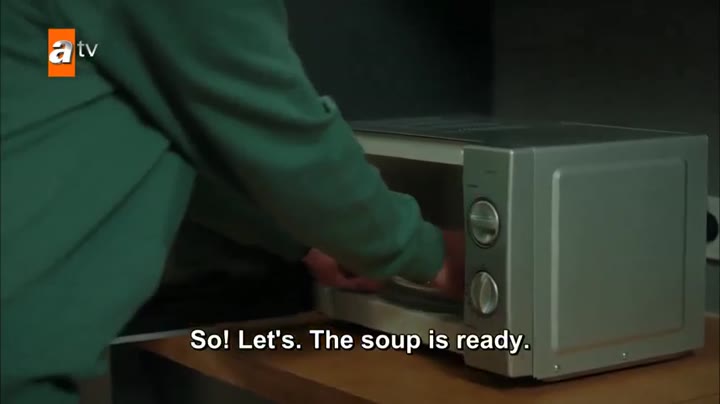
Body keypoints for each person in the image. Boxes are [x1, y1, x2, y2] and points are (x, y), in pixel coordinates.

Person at [0, 0, 466, 403]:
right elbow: (289, 139)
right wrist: (432, 255)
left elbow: (112, 118)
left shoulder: (74, 41)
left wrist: (303, 239)